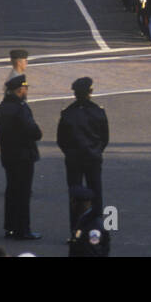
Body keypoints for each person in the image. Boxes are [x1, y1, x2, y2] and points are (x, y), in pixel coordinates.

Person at [56, 76, 109, 231]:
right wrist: (97, 150)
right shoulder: (98, 112)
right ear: (90, 92)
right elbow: (104, 137)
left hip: (73, 159)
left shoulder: (67, 113)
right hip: (93, 157)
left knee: (75, 195)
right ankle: (97, 227)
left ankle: (75, 229)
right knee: (96, 191)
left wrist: (70, 153)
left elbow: (61, 140)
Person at [0, 74, 42, 240]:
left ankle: (10, 226)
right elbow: (33, 131)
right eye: (25, 88)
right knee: (23, 193)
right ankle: (23, 229)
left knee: (11, 191)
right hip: (24, 156)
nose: (26, 91)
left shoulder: (2, 107)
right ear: (20, 89)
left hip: (8, 155)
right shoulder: (21, 108)